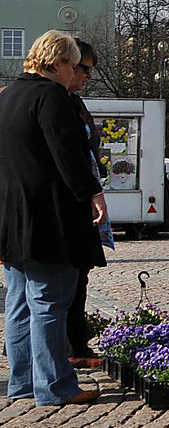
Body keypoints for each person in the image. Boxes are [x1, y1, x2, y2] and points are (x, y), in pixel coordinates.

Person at [0, 30, 107, 405]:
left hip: (11, 217)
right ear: (59, 63)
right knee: (49, 301)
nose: (75, 72)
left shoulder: (8, 95)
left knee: (18, 302)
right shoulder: (52, 97)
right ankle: (56, 387)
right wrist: (92, 193)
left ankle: (24, 382)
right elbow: (67, 156)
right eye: (74, 65)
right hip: (49, 217)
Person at [65, 39, 109, 368]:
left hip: (82, 201)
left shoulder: (75, 102)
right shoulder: (58, 103)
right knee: (63, 285)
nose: (87, 76)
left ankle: (76, 343)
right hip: (70, 203)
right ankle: (70, 347)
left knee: (78, 279)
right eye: (86, 69)